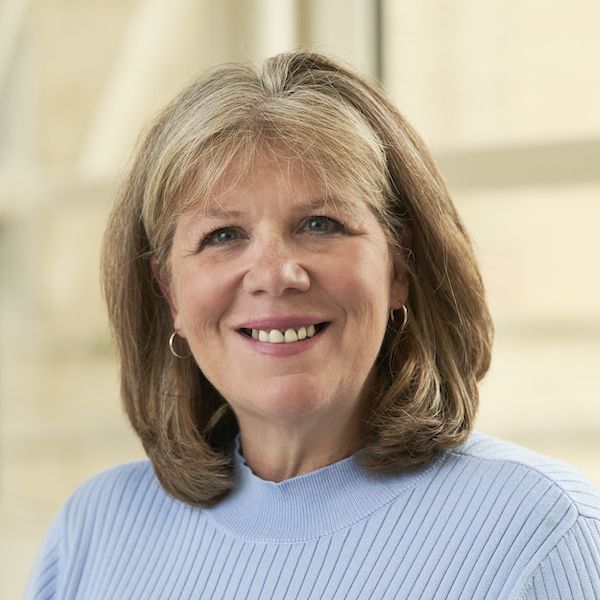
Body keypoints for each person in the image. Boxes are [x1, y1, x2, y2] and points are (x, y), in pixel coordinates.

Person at [26, 51, 600, 599]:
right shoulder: (93, 533)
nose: (275, 275)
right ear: (169, 291)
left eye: (321, 224)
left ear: (399, 266)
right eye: (222, 236)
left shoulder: (542, 532)